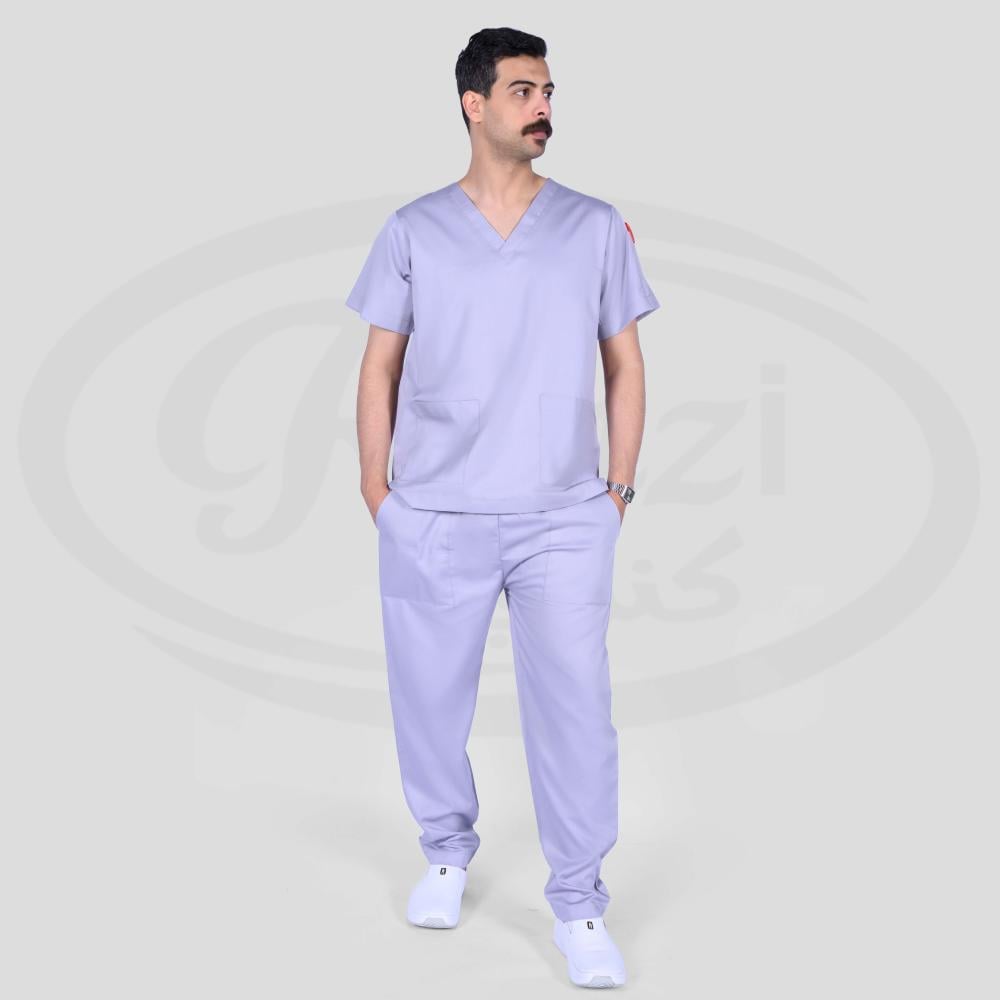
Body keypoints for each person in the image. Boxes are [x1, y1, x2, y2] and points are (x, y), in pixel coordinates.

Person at [346, 26, 659, 989]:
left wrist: (616, 491)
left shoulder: (594, 227)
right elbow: (379, 366)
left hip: (563, 514)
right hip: (435, 512)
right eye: (524, 90)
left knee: (576, 712)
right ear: (473, 104)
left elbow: (625, 364)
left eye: (549, 91)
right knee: (428, 698)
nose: (544, 107)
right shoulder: (413, 230)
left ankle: (580, 904)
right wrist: (378, 491)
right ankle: (445, 851)